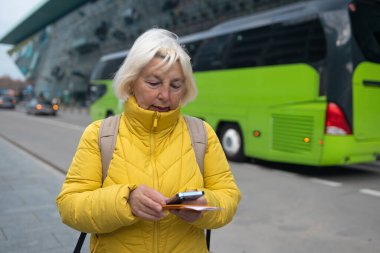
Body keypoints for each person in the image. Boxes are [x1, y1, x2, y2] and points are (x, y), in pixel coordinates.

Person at [56, 28, 241, 253]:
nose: (165, 95)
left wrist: (204, 205)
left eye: (175, 85)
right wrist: (126, 201)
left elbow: (228, 198)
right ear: (131, 82)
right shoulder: (99, 134)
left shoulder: (202, 134)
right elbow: (69, 207)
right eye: (154, 83)